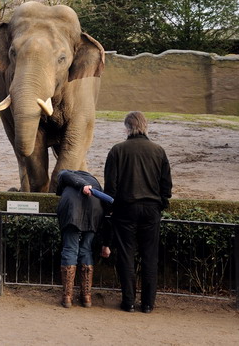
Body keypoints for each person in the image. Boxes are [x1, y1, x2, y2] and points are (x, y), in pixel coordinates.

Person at [103, 111, 173, 314]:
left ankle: (129, 302)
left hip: (125, 209)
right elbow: (166, 185)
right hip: (151, 209)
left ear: (127, 128)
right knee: (150, 256)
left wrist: (110, 209)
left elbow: (111, 187)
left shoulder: (117, 150)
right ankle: (148, 304)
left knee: (126, 256)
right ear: (145, 127)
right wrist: (161, 204)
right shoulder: (158, 151)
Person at [55, 169, 106, 308]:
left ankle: (67, 297)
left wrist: (82, 185)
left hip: (72, 211)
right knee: (86, 249)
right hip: (94, 211)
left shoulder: (65, 174)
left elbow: (63, 174)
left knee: (70, 249)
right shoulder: (95, 182)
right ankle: (86, 297)